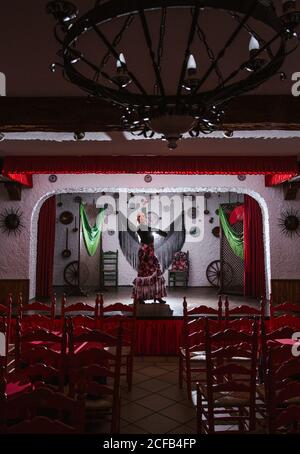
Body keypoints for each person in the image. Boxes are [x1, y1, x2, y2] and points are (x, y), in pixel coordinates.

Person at [132, 212, 167, 305]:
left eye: (144, 216)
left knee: (156, 273)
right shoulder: (140, 227)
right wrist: (161, 232)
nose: (144, 217)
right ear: (139, 219)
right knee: (144, 274)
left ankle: (158, 296)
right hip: (145, 252)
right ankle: (140, 297)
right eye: (142, 216)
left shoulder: (146, 227)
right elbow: (151, 230)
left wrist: (162, 233)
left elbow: (152, 230)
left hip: (150, 251)